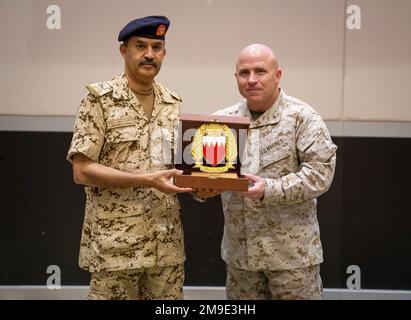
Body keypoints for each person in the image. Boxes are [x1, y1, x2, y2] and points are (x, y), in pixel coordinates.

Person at [66, 15, 193, 300]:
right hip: (116, 250)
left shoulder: (173, 103)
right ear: (124, 51)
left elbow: (180, 168)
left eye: (157, 47)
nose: (150, 54)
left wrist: (205, 187)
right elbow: (82, 170)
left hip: (166, 248)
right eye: (141, 46)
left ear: (164, 53)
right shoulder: (99, 100)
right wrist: (147, 180)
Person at [212, 44, 338, 299]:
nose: (252, 80)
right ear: (235, 77)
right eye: (244, 73)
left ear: (277, 75)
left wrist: (269, 190)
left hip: (292, 259)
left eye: (260, 71)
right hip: (241, 259)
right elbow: (206, 176)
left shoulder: (303, 118)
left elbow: (320, 174)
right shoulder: (222, 122)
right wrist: (202, 189)